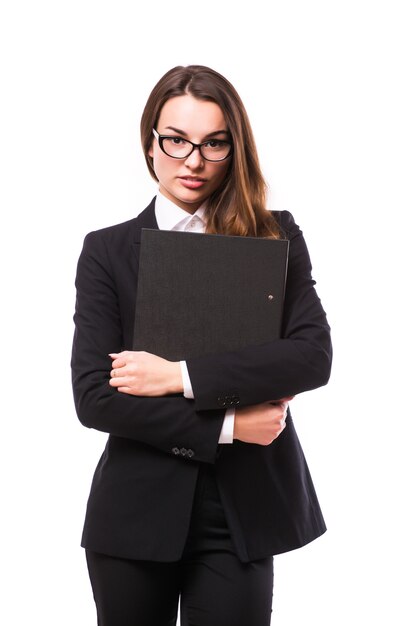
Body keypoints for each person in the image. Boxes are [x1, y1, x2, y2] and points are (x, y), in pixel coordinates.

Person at [71, 64, 332, 626]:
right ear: (150, 143)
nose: (193, 161)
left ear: (235, 148)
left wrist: (177, 376)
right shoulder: (107, 251)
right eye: (177, 141)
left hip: (241, 513)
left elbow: (311, 356)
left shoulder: (275, 237)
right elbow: (95, 398)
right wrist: (229, 426)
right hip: (134, 510)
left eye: (214, 143)